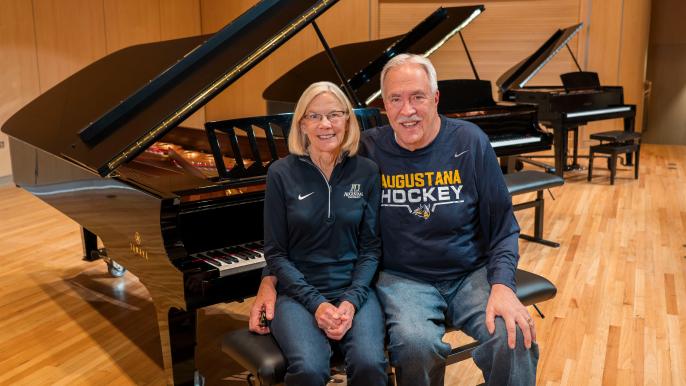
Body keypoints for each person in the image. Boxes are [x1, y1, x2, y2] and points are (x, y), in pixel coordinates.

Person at [251, 55, 538, 386]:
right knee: (416, 346)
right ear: (383, 105)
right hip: (403, 280)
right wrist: (269, 279)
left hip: (470, 274)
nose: (407, 110)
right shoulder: (368, 150)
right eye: (395, 99)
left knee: (515, 336)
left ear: (435, 98)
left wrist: (502, 285)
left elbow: (503, 224)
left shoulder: (469, 141)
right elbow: (303, 223)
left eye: (417, 96)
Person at [259, 81, 388, 386]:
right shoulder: (280, 173)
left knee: (370, 363)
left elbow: (371, 248)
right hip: (297, 295)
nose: (325, 124)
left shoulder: (367, 171)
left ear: (347, 120)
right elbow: (275, 252)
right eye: (314, 116)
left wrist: (351, 301)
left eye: (333, 115)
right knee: (309, 369)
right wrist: (317, 304)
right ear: (302, 124)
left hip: (355, 290)